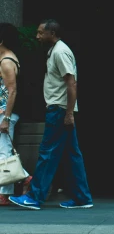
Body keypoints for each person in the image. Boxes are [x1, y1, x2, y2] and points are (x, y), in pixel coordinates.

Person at [9, 19, 93, 210]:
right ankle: (82, 197)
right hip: (61, 109)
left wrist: (69, 113)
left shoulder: (60, 52)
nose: (37, 36)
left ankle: (35, 197)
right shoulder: (55, 50)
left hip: (59, 109)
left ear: (52, 34)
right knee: (72, 155)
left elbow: (71, 83)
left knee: (47, 153)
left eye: (40, 33)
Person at [0, 23, 32, 205]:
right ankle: (22, 180)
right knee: (3, 151)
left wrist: (6, 119)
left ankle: (6, 192)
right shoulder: (5, 58)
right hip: (4, 112)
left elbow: (12, 91)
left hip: (5, 113)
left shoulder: (6, 62)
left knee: (4, 153)